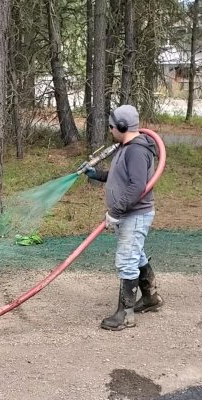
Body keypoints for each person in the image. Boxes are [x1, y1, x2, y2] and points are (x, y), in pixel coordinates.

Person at [84, 104, 164, 331]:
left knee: (127, 261)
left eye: (111, 126)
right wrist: (97, 174)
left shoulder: (137, 150)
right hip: (129, 213)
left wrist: (115, 211)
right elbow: (121, 176)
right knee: (135, 255)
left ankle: (125, 315)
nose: (110, 130)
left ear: (122, 126)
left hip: (134, 215)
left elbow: (137, 187)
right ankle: (150, 298)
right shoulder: (127, 147)